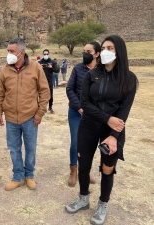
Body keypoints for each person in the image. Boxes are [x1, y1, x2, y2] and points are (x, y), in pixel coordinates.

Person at [65, 35, 138, 225]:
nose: (105, 51)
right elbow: (84, 103)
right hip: (88, 125)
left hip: (113, 130)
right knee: (84, 164)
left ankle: (103, 204)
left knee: (107, 168)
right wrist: (107, 118)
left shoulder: (129, 79)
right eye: (104, 47)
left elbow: (124, 111)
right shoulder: (91, 75)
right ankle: (83, 198)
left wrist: (114, 136)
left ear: (119, 51)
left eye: (110, 48)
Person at [0, 38, 50, 191]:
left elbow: (44, 91)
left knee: (30, 148)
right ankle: (18, 177)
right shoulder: (5, 69)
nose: (9, 54)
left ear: (21, 53)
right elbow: (0, 93)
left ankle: (29, 176)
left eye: (11, 51)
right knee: (14, 149)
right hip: (11, 118)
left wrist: (40, 113)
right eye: (8, 51)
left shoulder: (36, 67)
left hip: (30, 117)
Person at [66, 41, 101, 187]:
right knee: (75, 142)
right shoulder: (78, 68)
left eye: (88, 52)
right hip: (76, 111)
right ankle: (73, 171)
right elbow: (70, 89)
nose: (85, 54)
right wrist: (80, 107)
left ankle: (84, 171)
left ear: (97, 54)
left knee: (89, 144)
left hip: (93, 115)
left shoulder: (102, 70)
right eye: (84, 51)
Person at [38, 49, 60, 114]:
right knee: (40, 95)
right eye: (45, 54)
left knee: (50, 95)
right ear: (43, 54)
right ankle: (41, 108)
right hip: (41, 81)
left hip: (49, 80)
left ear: (49, 54)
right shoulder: (39, 62)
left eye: (47, 54)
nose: (46, 55)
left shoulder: (52, 62)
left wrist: (51, 68)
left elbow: (57, 70)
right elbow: (34, 71)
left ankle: (50, 107)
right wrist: (40, 67)